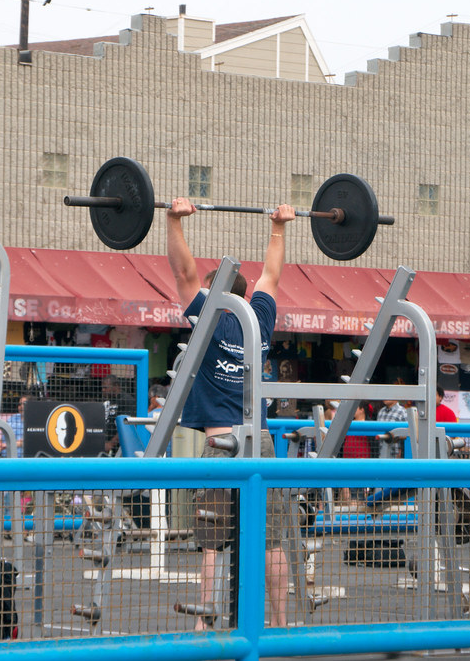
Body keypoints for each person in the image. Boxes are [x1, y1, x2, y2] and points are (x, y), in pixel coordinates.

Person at [166, 195, 295, 629]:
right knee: (271, 542)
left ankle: (205, 624)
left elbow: (183, 273)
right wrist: (278, 227)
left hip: (221, 443)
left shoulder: (210, 320)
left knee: (213, 544)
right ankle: (279, 625)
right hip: (259, 444)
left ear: (217, 294)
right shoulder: (259, 318)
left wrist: (174, 221)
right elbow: (272, 274)